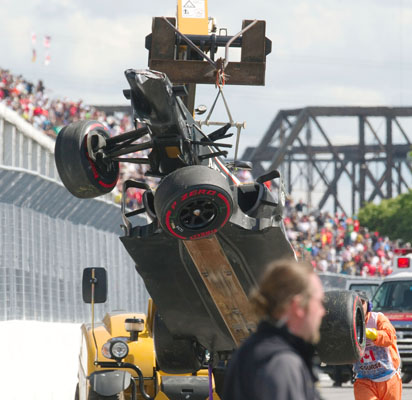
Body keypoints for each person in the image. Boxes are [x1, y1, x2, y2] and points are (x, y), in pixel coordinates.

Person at [222, 259, 325, 400]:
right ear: (298, 306)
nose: (322, 311)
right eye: (319, 302)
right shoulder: (282, 363)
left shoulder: (251, 349)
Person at [353, 293, 402, 400]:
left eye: (362, 302)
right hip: (364, 380)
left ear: (369, 305)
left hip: (388, 378)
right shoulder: (348, 323)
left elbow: (390, 337)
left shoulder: (377, 319)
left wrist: (373, 334)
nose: (358, 306)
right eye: (355, 302)